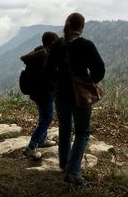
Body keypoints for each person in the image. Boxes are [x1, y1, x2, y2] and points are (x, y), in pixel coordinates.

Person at [45, 13, 105, 185]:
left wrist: (57, 84)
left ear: (68, 25)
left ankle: (64, 164)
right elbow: (99, 70)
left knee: (64, 129)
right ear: (82, 26)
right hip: (80, 95)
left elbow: (48, 69)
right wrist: (88, 81)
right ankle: (72, 171)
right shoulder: (86, 45)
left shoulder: (58, 44)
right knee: (82, 132)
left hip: (61, 94)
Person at [21, 31, 59, 160]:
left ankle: (42, 140)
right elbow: (47, 78)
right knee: (47, 119)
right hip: (45, 93)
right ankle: (31, 147)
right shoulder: (45, 58)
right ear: (52, 43)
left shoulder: (36, 55)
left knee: (43, 117)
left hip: (36, 92)